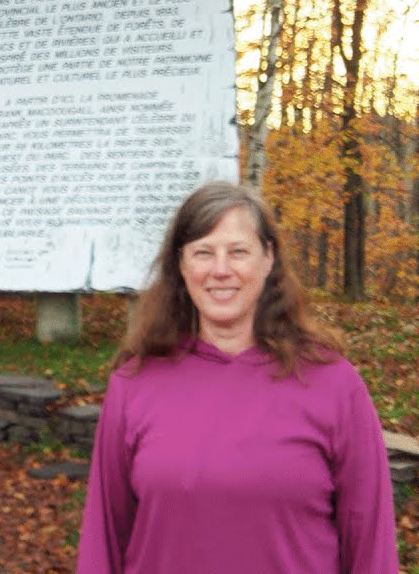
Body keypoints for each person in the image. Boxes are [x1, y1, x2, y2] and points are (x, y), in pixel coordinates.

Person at [76, 181, 398, 574]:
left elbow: (370, 540)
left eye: (238, 252)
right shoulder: (135, 383)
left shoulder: (332, 384)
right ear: (181, 265)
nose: (221, 270)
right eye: (203, 253)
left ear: (268, 259)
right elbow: (103, 540)